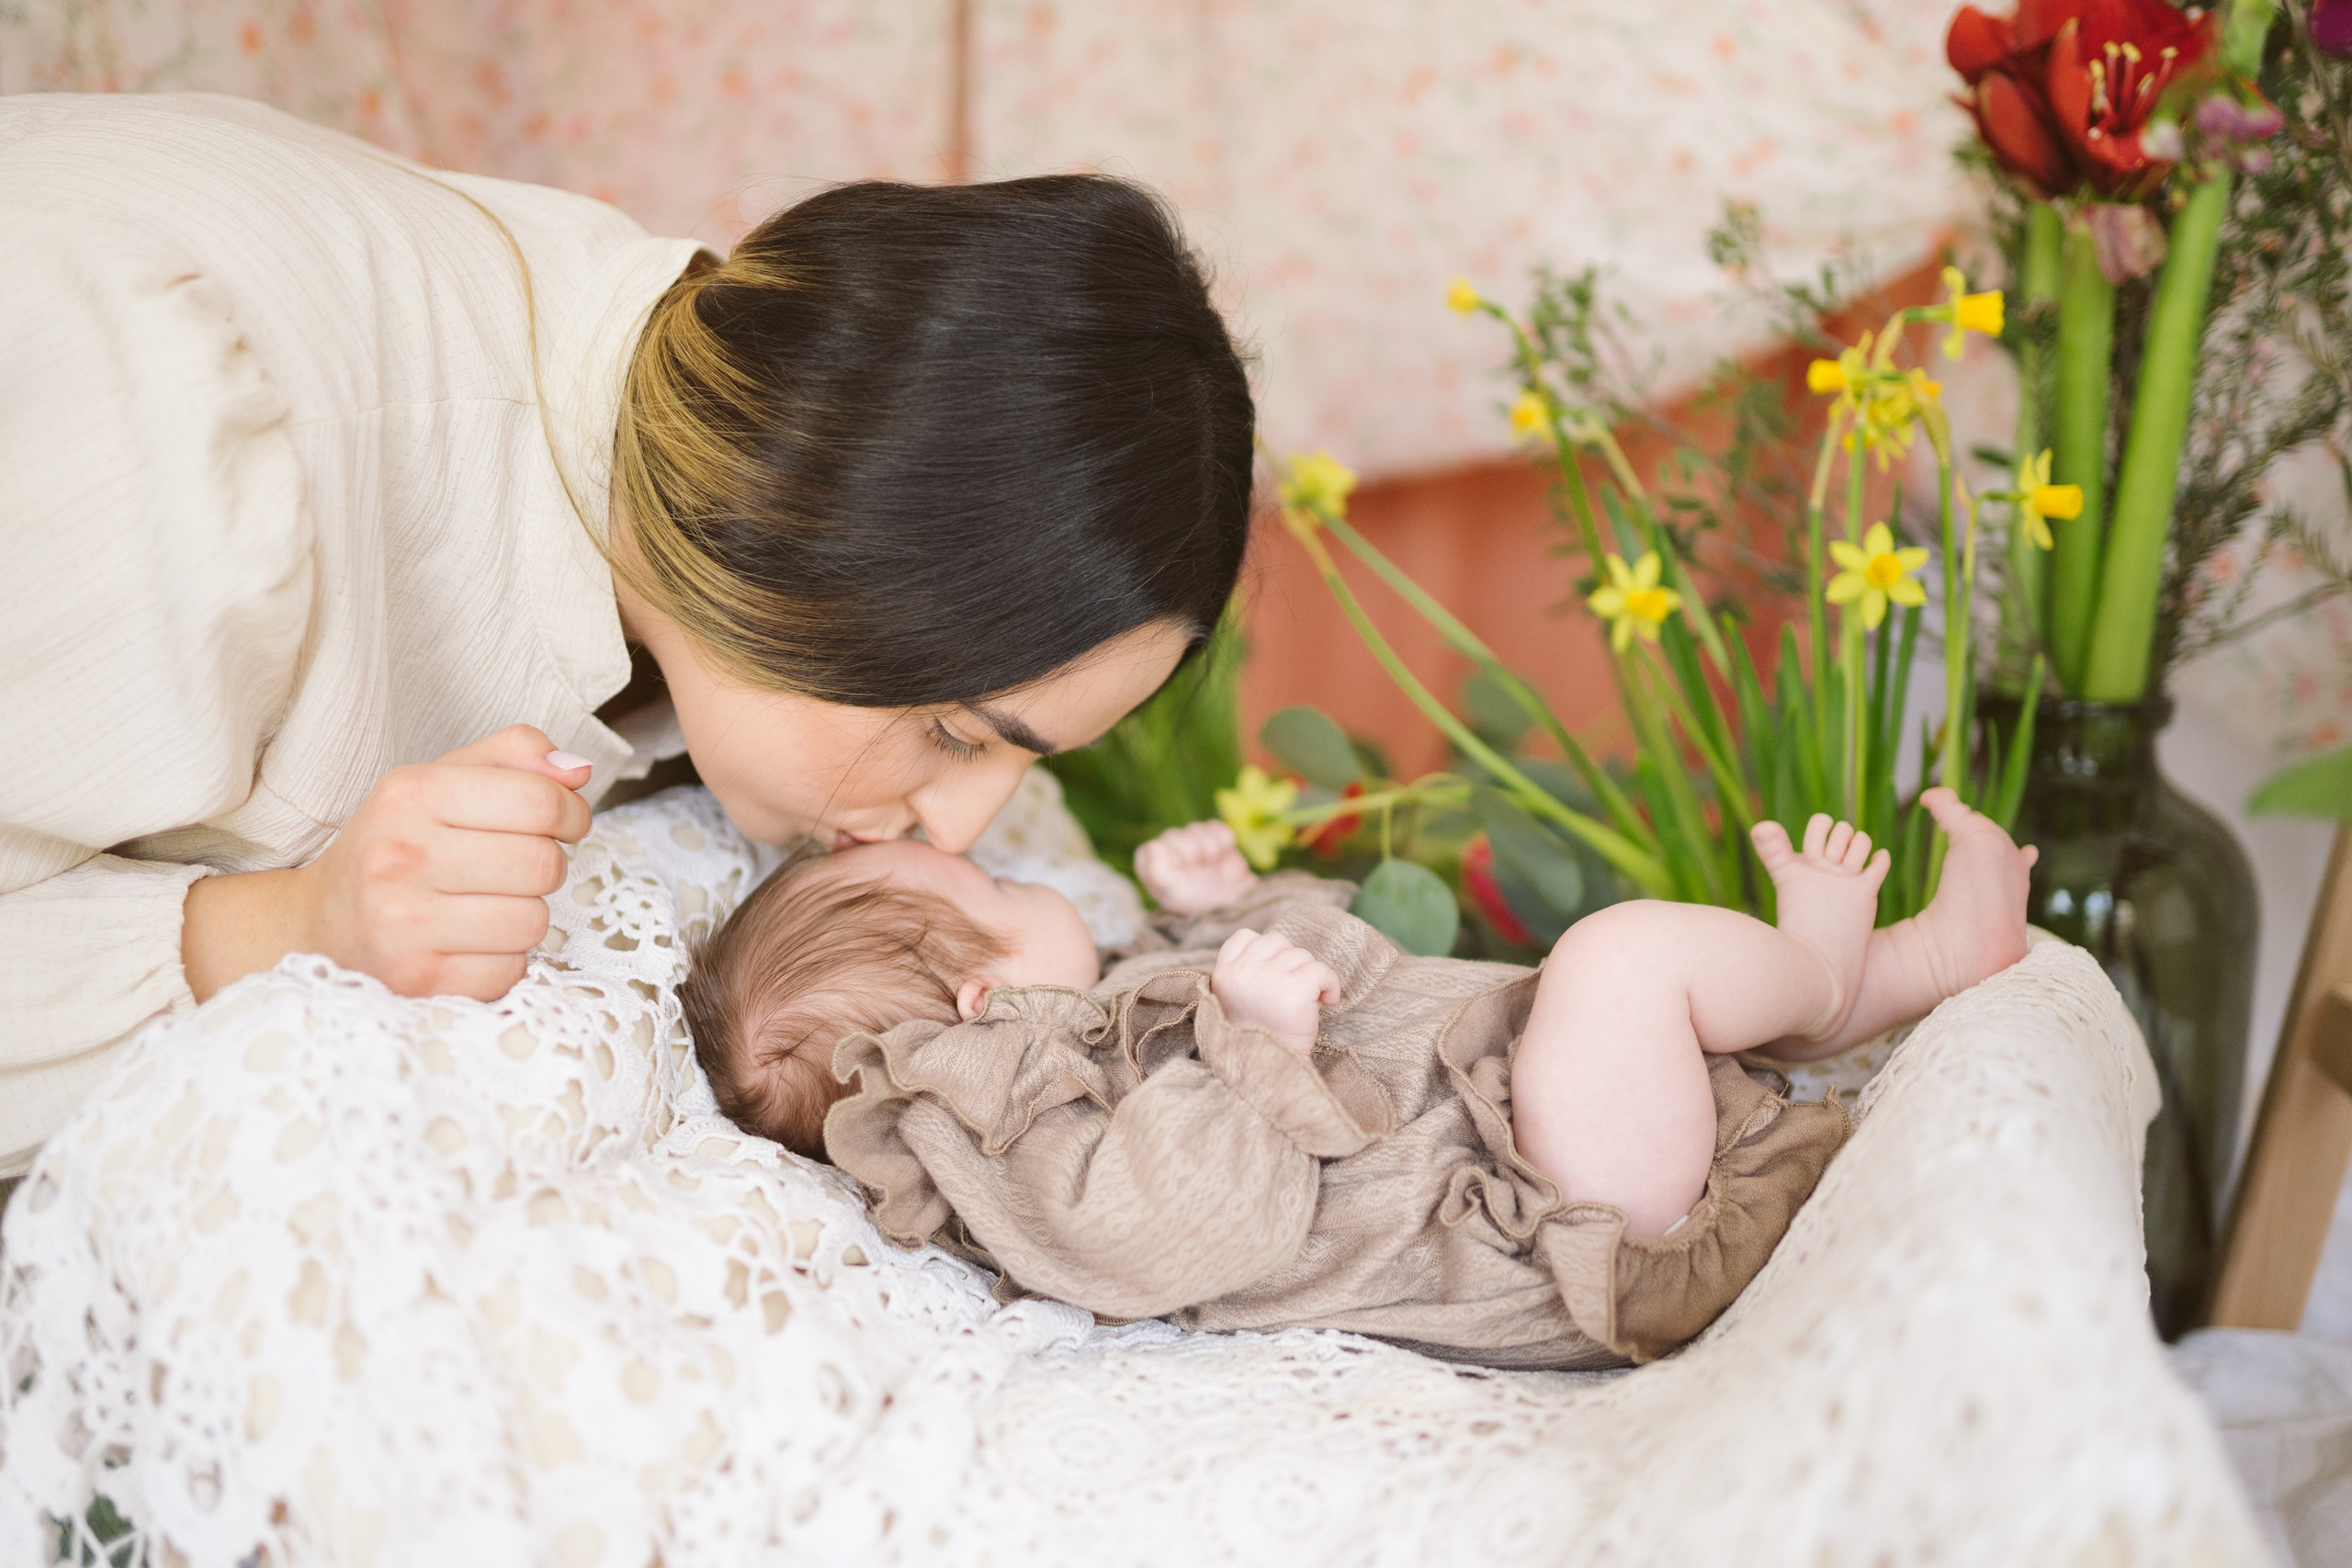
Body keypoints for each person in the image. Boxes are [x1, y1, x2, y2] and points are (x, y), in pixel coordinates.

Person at [0, 94, 1253, 1178]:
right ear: (824, 527)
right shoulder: (170, 439)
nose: (962, 832)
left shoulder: (681, 401)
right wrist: (278, 931)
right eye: (955, 732)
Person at [680, 788, 2037, 1367]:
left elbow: (1279, 998)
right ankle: (1827, 976)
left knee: (1623, 1002)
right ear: (984, 1004)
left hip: (1574, 1148)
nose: (1022, 877)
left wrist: (1221, 910)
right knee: (1619, 964)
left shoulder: (1090, 1035)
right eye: (990, 887)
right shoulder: (1023, 1141)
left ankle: (1921, 964)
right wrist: (1257, 1040)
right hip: (1570, 1231)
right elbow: (1178, 1220)